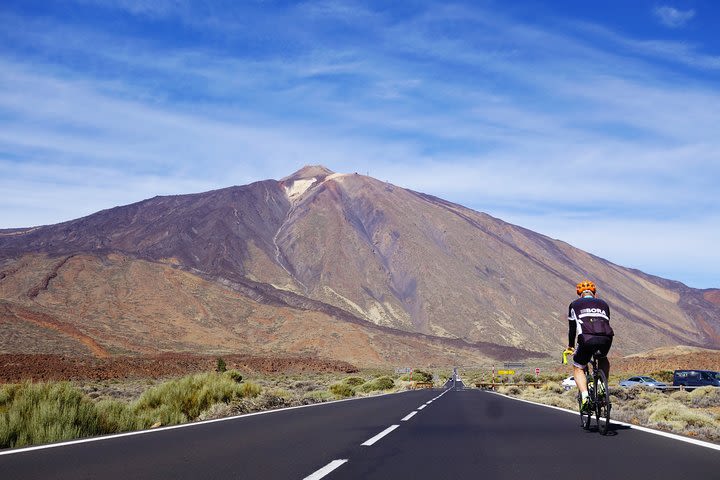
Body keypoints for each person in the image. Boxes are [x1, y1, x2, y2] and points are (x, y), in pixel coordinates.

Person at [563, 280, 614, 412]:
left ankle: (585, 396)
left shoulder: (574, 304)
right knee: (603, 358)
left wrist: (570, 346)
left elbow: (572, 329)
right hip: (606, 338)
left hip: (586, 339)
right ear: (594, 293)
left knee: (578, 366)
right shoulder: (604, 304)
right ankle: (602, 386)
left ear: (580, 294)